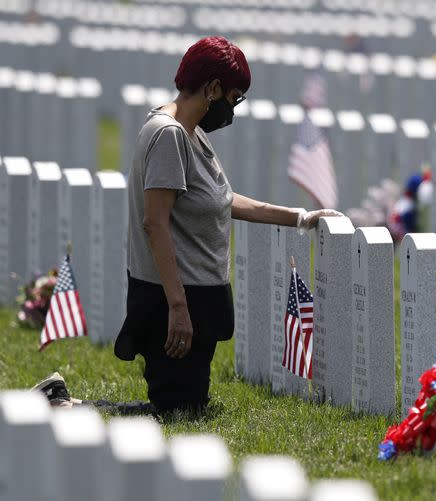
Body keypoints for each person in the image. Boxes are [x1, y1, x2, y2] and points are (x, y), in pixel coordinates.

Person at [32, 36, 342, 415]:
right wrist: (179, 308)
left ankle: (61, 400)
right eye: (234, 96)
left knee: (188, 405)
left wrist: (300, 218)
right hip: (173, 299)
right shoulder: (168, 135)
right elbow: (155, 223)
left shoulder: (192, 132)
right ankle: (61, 405)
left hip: (198, 294)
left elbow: (222, 199)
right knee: (176, 411)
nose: (233, 107)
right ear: (212, 88)